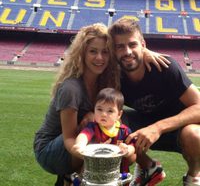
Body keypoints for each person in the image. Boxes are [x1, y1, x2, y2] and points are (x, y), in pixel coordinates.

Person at [33, 22, 169, 186]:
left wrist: (144, 51)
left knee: (116, 125)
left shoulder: (106, 79)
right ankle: (73, 176)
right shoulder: (71, 88)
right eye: (93, 51)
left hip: (80, 141)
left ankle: (139, 168)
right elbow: (69, 138)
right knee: (98, 129)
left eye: (105, 52)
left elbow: (128, 52)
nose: (100, 58)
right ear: (81, 53)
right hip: (52, 150)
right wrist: (94, 155)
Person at [108, 17, 200, 186]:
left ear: (143, 45)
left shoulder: (164, 66)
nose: (127, 51)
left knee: (195, 135)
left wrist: (157, 128)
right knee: (109, 122)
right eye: (120, 47)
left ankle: (194, 176)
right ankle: (148, 167)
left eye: (132, 44)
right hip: (144, 125)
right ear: (113, 51)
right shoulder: (115, 75)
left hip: (178, 128)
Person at [72, 87, 136, 174]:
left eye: (110, 111)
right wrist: (80, 144)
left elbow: (132, 144)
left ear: (119, 114)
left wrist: (128, 150)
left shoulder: (124, 130)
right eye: (99, 109)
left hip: (117, 171)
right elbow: (84, 135)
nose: (103, 114)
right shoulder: (93, 127)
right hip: (94, 170)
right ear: (94, 109)